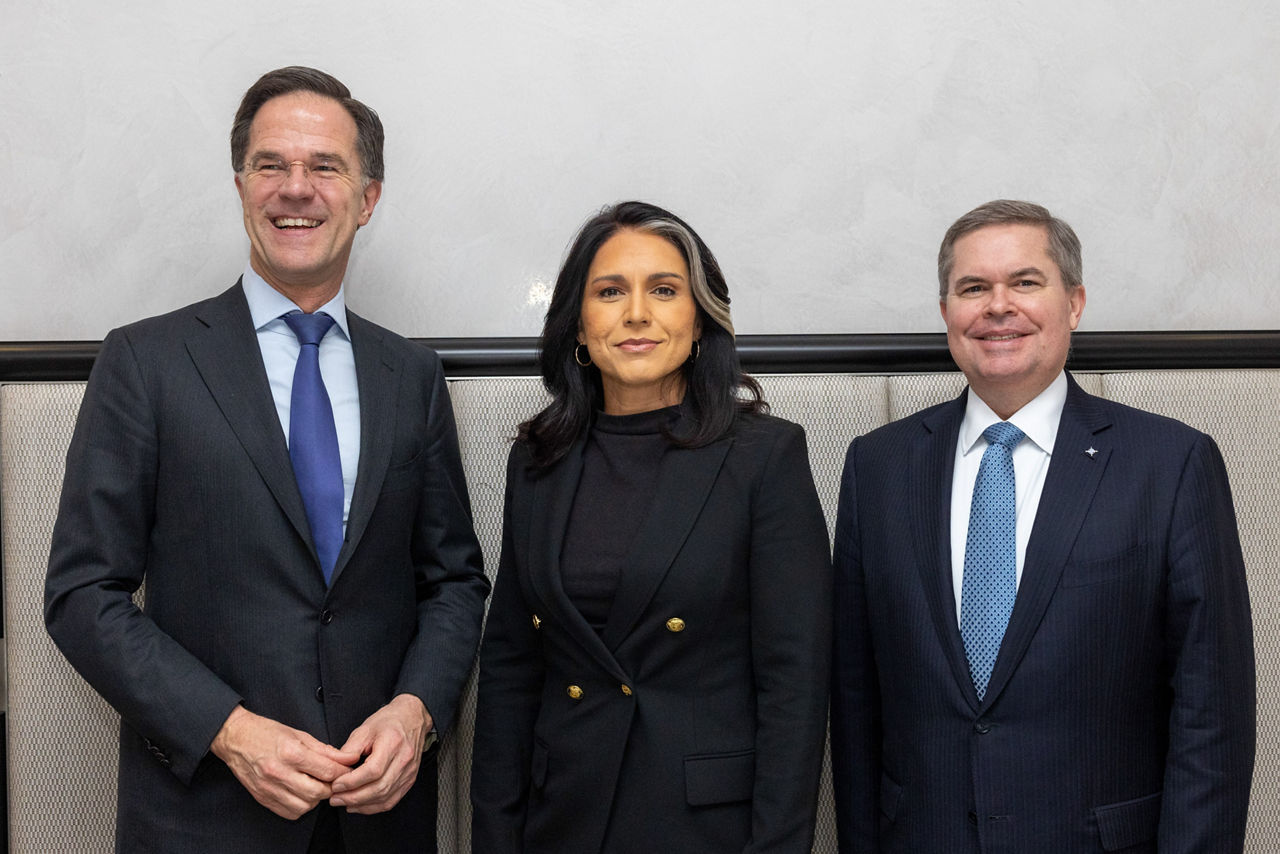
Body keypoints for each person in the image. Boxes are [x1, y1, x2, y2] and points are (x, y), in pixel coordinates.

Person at [44, 66, 489, 853]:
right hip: (203, 815)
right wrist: (228, 730)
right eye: (271, 165)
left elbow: (453, 581)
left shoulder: (411, 377)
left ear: (368, 197)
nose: (296, 189)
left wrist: (415, 711)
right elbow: (83, 593)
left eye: (325, 167)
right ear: (242, 185)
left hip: (378, 821)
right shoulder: (146, 362)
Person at [830, 199, 1256, 853]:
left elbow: (1213, 716)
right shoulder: (877, 468)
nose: (998, 306)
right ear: (947, 311)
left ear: (1075, 302)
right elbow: (855, 705)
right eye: (973, 288)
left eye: (1025, 282)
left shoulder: (1169, 465)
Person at [469, 200, 832, 853]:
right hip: (563, 820)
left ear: (699, 321)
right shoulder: (537, 461)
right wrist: (496, 835)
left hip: (704, 826)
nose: (637, 313)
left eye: (664, 291)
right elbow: (510, 669)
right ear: (579, 326)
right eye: (610, 292)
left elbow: (795, 683)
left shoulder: (763, 457)